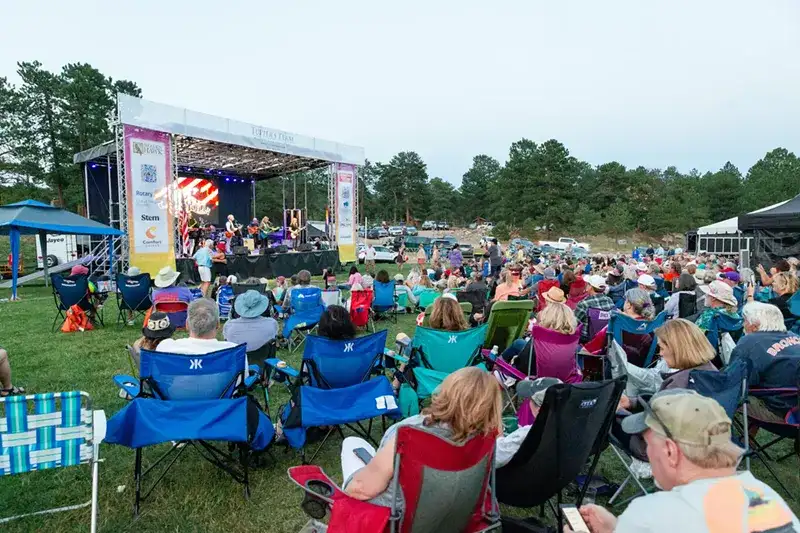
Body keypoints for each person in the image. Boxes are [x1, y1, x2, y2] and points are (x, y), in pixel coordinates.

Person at [577, 389, 799, 533]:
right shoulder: (764, 495)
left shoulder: (655, 515)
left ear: (671, 452)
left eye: (648, 443)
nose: (649, 455)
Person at [340, 367, 502, 509]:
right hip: (449, 513)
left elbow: (360, 489)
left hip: (397, 517)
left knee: (351, 443)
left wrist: (346, 497)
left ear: (447, 391)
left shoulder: (410, 431)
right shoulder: (487, 439)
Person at [613, 319, 718, 460]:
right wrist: (633, 402)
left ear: (677, 349)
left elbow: (648, 429)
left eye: (662, 348)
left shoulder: (678, 383)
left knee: (605, 416)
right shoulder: (712, 372)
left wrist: (619, 412)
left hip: (659, 449)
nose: (660, 354)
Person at [731, 302, 800, 424]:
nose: (743, 324)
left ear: (755, 325)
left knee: (726, 397)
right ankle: (747, 438)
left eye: (745, 321)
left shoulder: (749, 342)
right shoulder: (794, 336)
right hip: (794, 406)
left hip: (782, 412)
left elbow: (735, 382)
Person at [495, 377, 562, 467]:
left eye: (530, 399)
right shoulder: (575, 425)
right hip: (552, 474)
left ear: (539, 409)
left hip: (518, 477)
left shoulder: (528, 433)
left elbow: (496, 458)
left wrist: (497, 428)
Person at [584, 288, 655, 368]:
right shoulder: (651, 325)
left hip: (616, 371)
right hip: (642, 370)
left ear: (628, 305)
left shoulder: (616, 324)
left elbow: (590, 349)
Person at [502, 301, 577, 374]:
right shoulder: (571, 339)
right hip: (559, 374)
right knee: (519, 343)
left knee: (518, 343)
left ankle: (498, 363)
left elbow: (522, 364)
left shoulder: (541, 336)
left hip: (534, 372)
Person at [157, 298, 236, 355]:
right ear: (218, 324)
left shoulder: (165, 348)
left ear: (187, 324)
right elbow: (241, 377)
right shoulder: (234, 352)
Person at [574, 275, 616, 343]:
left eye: (587, 284)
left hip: (586, 340)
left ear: (590, 287)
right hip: (605, 338)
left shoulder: (584, 303)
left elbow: (573, 323)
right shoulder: (609, 300)